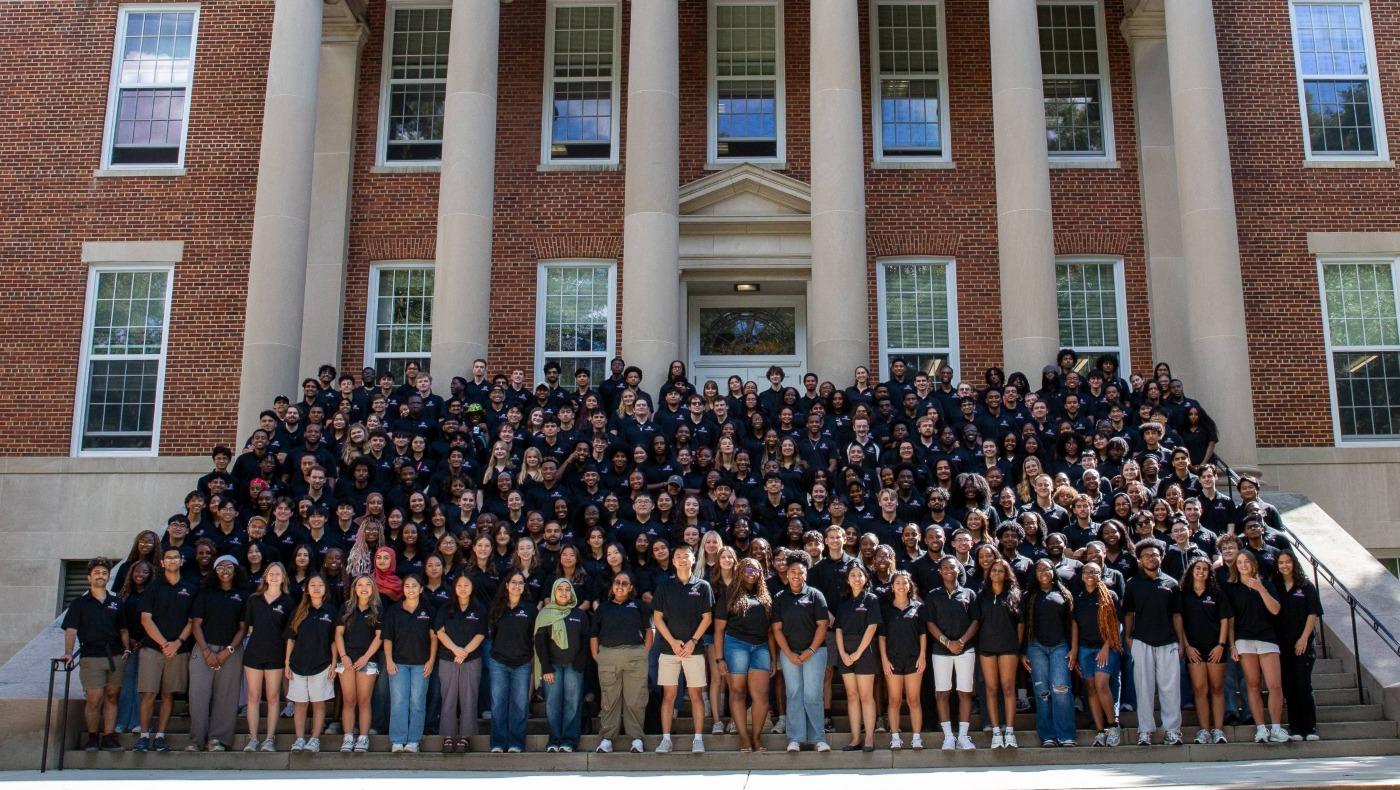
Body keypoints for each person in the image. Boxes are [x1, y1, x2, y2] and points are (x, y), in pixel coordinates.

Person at [61, 557, 129, 752]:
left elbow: (124, 629)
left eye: (104, 573)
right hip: (91, 656)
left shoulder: (116, 601)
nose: (101, 575)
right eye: (97, 573)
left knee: (112, 696)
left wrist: (126, 649)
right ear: (89, 577)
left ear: (108, 577)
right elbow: (71, 630)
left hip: (115, 656)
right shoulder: (79, 603)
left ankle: (108, 737)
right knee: (94, 698)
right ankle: (92, 738)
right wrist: (67, 653)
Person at [134, 547, 198, 753]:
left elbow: (192, 621)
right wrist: (164, 644)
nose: (172, 561)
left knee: (169, 694)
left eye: (175, 557)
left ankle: (160, 735)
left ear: (182, 561)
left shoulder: (190, 587)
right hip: (153, 649)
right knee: (149, 694)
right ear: (162, 563)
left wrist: (177, 643)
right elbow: (146, 619)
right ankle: (144, 736)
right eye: (168, 558)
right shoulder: (153, 587)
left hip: (178, 650)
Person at [1123, 539, 1186, 746]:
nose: (1151, 558)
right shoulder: (1132, 584)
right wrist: (1129, 638)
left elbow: (1177, 615)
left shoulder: (1172, 583)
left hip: (1168, 641)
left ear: (1161, 557)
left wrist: (1181, 642)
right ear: (1140, 560)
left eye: (1155, 555)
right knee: (1144, 688)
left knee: (1170, 689)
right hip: (1141, 641)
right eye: (1147, 555)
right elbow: (1129, 614)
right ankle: (1145, 730)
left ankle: (1172, 730)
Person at [651, 544, 713, 753]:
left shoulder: (703, 586)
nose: (681, 559)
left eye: (685, 556)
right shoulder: (664, 586)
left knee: (696, 695)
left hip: (693, 650)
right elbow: (658, 618)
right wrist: (673, 641)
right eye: (677, 556)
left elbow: (707, 618)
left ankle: (698, 739)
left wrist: (693, 641)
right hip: (669, 651)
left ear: (693, 559)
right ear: (673, 561)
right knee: (669, 696)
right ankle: (666, 739)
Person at [1227, 549, 1290, 744]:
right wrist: (1232, 645)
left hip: (1267, 638)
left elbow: (1276, 609)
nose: (1243, 565)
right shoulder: (1231, 588)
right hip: (1243, 640)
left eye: (1247, 561)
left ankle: (1277, 728)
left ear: (1253, 564)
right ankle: (1261, 728)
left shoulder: (1267, 584)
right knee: (1252, 685)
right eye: (1240, 562)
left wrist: (1260, 588)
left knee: (1274, 685)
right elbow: (1230, 620)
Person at [714, 557, 776, 753]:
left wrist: (773, 657)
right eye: (748, 568)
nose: (752, 571)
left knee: (761, 696)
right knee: (738, 692)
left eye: (756, 569)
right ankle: (743, 738)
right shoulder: (729, 594)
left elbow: (770, 631)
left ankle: (756, 738)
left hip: (760, 647)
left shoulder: (765, 596)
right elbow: (718, 629)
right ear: (739, 570)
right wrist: (719, 658)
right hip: (736, 645)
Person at [771, 550, 830, 753]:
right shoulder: (779, 597)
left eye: (800, 572)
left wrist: (811, 650)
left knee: (812, 694)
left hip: (815, 652)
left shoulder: (816, 595)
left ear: (806, 574)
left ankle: (818, 738)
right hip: (789, 654)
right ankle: (795, 738)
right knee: (794, 694)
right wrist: (788, 653)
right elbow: (776, 629)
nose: (796, 575)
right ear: (787, 574)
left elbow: (822, 625)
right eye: (792, 571)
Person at [187, 555, 247, 752]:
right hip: (204, 648)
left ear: (236, 570)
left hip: (231, 651)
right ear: (214, 571)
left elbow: (243, 627)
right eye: (220, 567)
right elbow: (196, 624)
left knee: (227, 696)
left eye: (229, 566)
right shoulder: (205, 593)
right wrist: (206, 651)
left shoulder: (243, 594)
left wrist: (227, 651)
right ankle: (196, 740)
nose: (225, 570)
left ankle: (217, 739)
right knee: (198, 695)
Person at [592, 570, 651, 754]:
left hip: (635, 655)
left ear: (631, 587)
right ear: (612, 586)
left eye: (625, 583)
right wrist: (597, 656)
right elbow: (594, 634)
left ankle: (637, 739)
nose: (620, 586)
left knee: (635, 699)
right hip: (608, 655)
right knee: (610, 700)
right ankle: (607, 739)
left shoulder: (639, 606)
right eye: (617, 582)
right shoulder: (603, 608)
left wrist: (644, 652)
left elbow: (650, 630)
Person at [924, 555, 979, 751]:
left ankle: (963, 736)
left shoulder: (969, 593)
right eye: (944, 568)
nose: (948, 570)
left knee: (964, 692)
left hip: (965, 650)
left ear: (959, 570)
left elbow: (975, 621)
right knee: (942, 693)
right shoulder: (933, 595)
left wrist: (961, 641)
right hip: (941, 651)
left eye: (952, 567)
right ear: (940, 572)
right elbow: (930, 623)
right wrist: (947, 643)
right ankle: (948, 736)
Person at [1022, 559, 1077, 747]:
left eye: (1047, 569)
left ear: (1054, 571)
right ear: (1034, 574)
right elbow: (1022, 626)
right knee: (1042, 691)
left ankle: (1066, 735)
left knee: (1061, 689)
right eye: (1039, 570)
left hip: (1060, 646)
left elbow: (1072, 624)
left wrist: (1073, 648)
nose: (1043, 572)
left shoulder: (1065, 594)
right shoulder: (1028, 596)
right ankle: (1047, 736)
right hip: (1035, 647)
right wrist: (1022, 651)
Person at [382, 573, 437, 753]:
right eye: (407, 586)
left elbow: (434, 638)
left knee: (417, 702)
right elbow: (387, 638)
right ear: (403, 589)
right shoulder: (394, 611)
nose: (411, 589)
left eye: (414, 586)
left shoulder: (428, 610)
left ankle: (414, 740)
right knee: (399, 702)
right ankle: (398, 739)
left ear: (421, 589)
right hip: (399, 663)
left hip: (422, 663)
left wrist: (431, 660)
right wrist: (389, 661)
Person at [284, 575, 338, 753]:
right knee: (300, 703)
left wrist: (333, 663)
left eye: (320, 585)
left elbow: (334, 640)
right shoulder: (299, 610)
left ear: (325, 589)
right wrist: (287, 663)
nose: (316, 588)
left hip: (322, 664)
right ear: (307, 589)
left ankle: (314, 739)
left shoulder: (331, 611)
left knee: (319, 703)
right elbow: (291, 639)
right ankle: (299, 739)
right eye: (312, 585)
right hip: (298, 664)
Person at [534, 578, 590, 752]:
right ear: (553, 592)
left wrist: (580, 663)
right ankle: (554, 740)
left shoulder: (579, 614)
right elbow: (540, 642)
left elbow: (585, 639)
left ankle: (569, 741)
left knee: (572, 703)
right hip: (553, 667)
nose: (564, 592)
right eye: (560, 589)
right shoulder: (545, 613)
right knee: (552, 704)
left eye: (567, 589)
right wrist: (546, 667)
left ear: (572, 593)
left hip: (574, 667)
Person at [1274, 549, 1323, 742]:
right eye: (1280, 563)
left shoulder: (1306, 586)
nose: (1284, 566)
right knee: (1289, 685)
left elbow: (1313, 614)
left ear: (1294, 563)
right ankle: (1295, 728)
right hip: (1282, 645)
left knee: (1303, 684)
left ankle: (1309, 727)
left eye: (1288, 562)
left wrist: (1303, 638)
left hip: (1302, 644)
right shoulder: (1276, 586)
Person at [433, 574, 485, 753]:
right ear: (454, 588)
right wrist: (456, 650)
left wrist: (465, 652)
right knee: (449, 697)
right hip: (448, 658)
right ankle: (448, 736)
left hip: (472, 658)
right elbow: (439, 632)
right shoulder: (446, 608)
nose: (463, 588)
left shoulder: (479, 609)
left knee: (469, 697)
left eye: (466, 585)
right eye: (459, 585)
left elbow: (481, 634)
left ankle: (465, 737)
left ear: (472, 587)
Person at [1072, 562, 1122, 746]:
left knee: (1102, 685)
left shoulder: (1110, 596)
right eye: (1087, 571)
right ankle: (1100, 731)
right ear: (1082, 575)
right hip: (1085, 648)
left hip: (1106, 647)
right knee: (1091, 689)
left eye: (1095, 571)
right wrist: (1075, 650)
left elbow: (1117, 625)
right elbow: (1075, 624)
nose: (1090, 574)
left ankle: (1113, 725)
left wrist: (1106, 646)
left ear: (1101, 574)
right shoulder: (1078, 597)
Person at [835, 563, 882, 752]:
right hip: (845, 653)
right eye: (852, 575)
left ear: (865, 579)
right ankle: (855, 739)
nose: (856, 578)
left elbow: (872, 628)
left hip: (864, 652)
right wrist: (844, 654)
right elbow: (837, 629)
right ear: (848, 579)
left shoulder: (871, 599)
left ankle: (869, 738)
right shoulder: (844, 602)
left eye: (860, 575)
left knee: (865, 696)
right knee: (851, 695)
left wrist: (857, 653)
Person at [487, 571, 535, 753]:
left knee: (520, 704)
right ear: (506, 585)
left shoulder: (530, 609)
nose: (517, 586)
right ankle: (498, 743)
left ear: (524, 587)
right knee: (498, 703)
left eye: (520, 583)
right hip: (499, 661)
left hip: (522, 663)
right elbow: (492, 634)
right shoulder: (497, 607)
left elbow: (533, 637)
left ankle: (516, 743)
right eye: (513, 582)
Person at [336, 575, 383, 753]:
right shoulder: (346, 608)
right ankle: (348, 737)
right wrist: (344, 655)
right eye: (360, 585)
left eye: (368, 584)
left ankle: (363, 737)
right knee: (349, 700)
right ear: (355, 588)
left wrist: (366, 657)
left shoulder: (377, 609)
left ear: (373, 589)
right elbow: (338, 634)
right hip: (346, 659)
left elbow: (379, 637)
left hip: (367, 660)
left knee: (364, 700)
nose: (364, 588)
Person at [878, 569, 925, 751]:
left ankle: (916, 738)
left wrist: (922, 656)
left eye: (904, 583)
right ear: (892, 586)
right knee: (894, 699)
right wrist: (884, 659)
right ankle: (895, 737)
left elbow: (922, 634)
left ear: (909, 586)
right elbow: (882, 636)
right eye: (897, 583)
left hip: (913, 659)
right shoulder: (886, 609)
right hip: (893, 659)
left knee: (914, 699)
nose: (901, 586)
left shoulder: (918, 607)